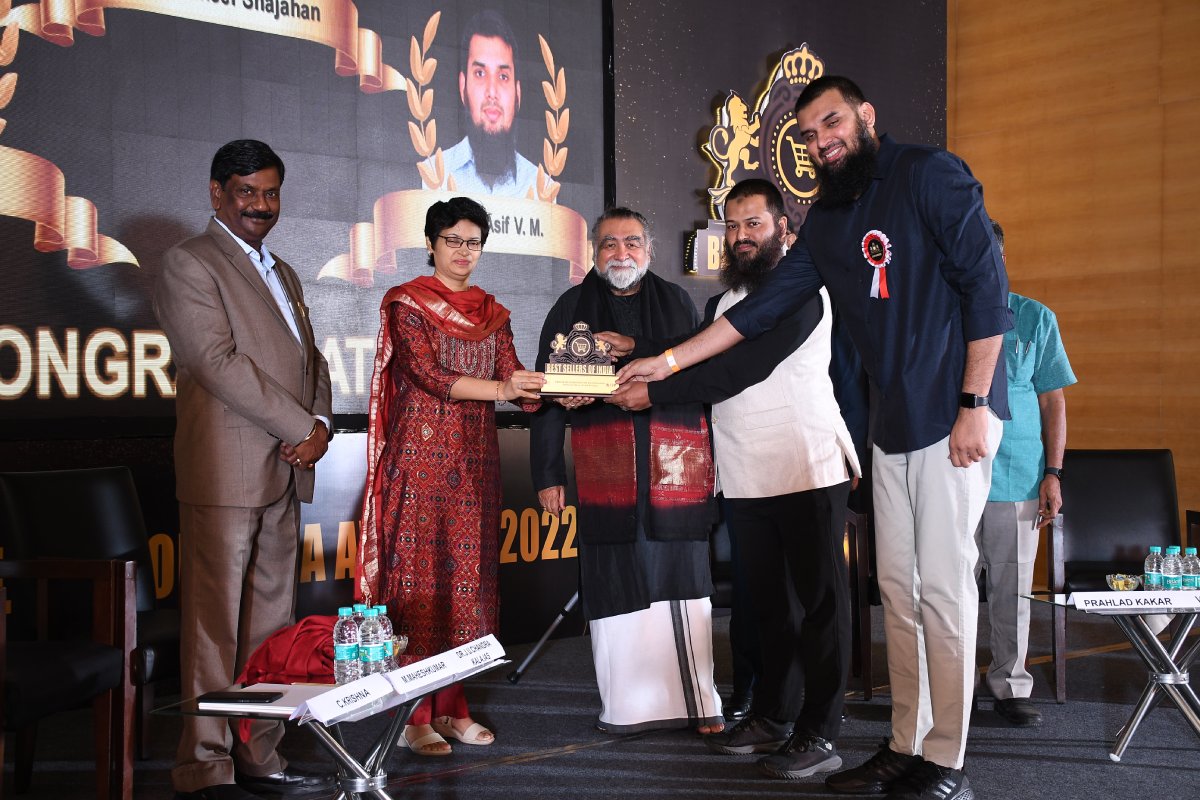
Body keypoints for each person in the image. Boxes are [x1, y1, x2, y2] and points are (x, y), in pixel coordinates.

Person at [619, 76, 1011, 800]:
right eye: (808, 133)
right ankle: (905, 744)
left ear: (865, 115)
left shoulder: (929, 173)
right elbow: (757, 312)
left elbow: (987, 288)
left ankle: (946, 759)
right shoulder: (829, 217)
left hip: (952, 414)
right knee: (898, 591)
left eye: (832, 123)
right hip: (892, 426)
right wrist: (666, 362)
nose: (821, 140)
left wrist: (976, 402)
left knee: (943, 590)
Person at [608, 179, 861, 778]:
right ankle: (774, 716)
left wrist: (654, 392)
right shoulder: (725, 304)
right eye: (733, 226)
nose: (742, 237)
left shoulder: (806, 293)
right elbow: (698, 349)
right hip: (746, 473)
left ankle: (821, 732)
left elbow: (739, 369)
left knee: (821, 605)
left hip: (806, 465)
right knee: (769, 607)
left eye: (754, 224)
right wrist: (639, 347)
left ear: (784, 230)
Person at [154, 139, 334, 800]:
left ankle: (259, 754)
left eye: (270, 192)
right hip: (226, 472)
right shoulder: (190, 262)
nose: (261, 204)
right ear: (217, 193)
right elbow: (215, 362)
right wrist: (300, 428)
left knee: (270, 628)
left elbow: (311, 361)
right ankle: (205, 766)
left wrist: (321, 425)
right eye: (246, 191)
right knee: (214, 627)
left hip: (285, 468)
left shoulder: (282, 271)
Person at [357, 197, 543, 757]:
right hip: (419, 465)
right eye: (453, 240)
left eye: (473, 242)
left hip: (475, 469)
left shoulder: (494, 313)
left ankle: (453, 708)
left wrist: (564, 387)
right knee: (420, 592)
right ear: (431, 243)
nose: (464, 252)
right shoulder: (408, 302)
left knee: (467, 591)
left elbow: (513, 378)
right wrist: (504, 389)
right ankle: (414, 717)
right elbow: (428, 375)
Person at [530, 207, 723, 735]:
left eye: (632, 243)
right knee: (614, 576)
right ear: (593, 252)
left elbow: (697, 365)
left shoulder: (677, 301)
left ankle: (697, 704)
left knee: (681, 576)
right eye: (609, 244)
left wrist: (636, 349)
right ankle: (627, 708)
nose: (621, 253)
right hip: (604, 469)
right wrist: (548, 474)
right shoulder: (569, 307)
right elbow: (547, 395)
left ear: (649, 250)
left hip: (675, 466)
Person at [976, 219, 1076, 728]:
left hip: (1017, 477)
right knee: (944, 590)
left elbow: (1053, 402)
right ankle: (947, 685)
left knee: (1011, 590)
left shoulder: (1035, 318)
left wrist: (1052, 473)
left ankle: (1010, 684)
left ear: (1000, 258)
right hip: (951, 474)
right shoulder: (942, 316)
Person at [422, 9, 538, 197]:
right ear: (463, 86)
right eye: (480, 73)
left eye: (503, 76)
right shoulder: (432, 176)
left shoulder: (542, 187)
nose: (492, 92)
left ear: (518, 93)